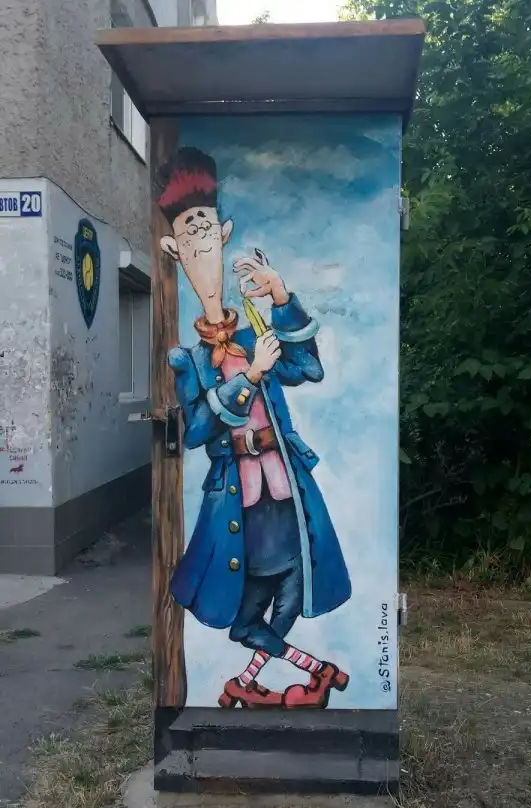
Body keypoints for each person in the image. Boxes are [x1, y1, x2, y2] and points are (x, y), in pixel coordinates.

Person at [158, 147, 351, 709]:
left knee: (291, 594)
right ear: (174, 252)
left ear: (224, 237)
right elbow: (197, 430)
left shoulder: (253, 332)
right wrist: (250, 378)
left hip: (288, 490)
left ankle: (248, 685)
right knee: (245, 618)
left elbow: (309, 368)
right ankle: (317, 670)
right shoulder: (190, 360)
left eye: (208, 238)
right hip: (237, 504)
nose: (202, 253)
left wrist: (282, 297)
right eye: (189, 243)